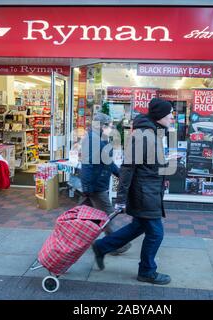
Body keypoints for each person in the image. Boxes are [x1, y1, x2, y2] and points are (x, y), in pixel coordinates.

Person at [91, 98, 174, 285]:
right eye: (169, 113)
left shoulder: (152, 132)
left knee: (138, 227)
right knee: (156, 233)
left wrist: (164, 161)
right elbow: (128, 168)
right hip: (144, 193)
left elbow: (147, 162)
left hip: (149, 191)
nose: (171, 117)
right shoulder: (145, 135)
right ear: (160, 115)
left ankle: (102, 246)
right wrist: (121, 198)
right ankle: (146, 271)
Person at [80, 112, 131, 255]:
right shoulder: (92, 140)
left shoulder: (99, 139)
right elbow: (88, 165)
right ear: (101, 126)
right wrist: (88, 187)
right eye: (109, 125)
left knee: (80, 214)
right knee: (107, 215)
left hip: (94, 185)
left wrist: (120, 174)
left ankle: (69, 238)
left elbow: (107, 163)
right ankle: (116, 245)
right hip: (96, 186)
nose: (111, 128)